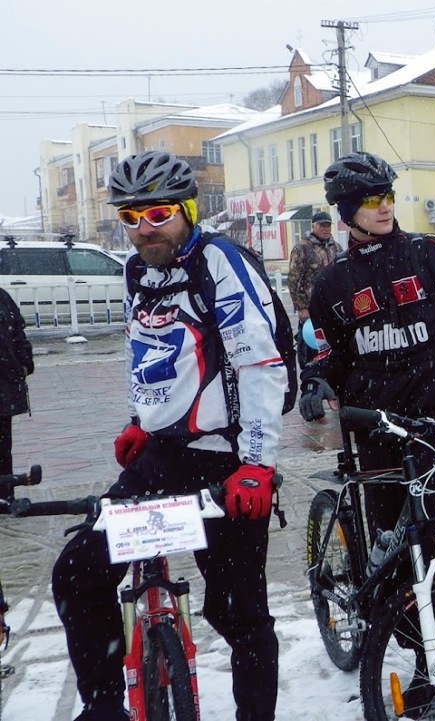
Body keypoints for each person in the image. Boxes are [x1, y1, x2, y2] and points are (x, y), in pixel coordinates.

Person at [53, 151, 285, 721]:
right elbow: (151, 353)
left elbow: (260, 365)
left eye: (157, 214)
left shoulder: (219, 263)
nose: (143, 230)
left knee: (240, 617)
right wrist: (141, 419)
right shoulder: (138, 271)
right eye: (130, 218)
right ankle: (106, 706)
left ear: (187, 209)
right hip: (164, 458)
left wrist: (256, 463)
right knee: (78, 573)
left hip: (229, 461)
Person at [299, 152, 435, 567]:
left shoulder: (433, 254)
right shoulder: (331, 282)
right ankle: (399, 624)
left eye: (387, 195)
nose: (385, 206)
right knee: (394, 553)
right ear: (347, 211)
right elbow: (327, 352)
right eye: (372, 201)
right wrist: (316, 380)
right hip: (375, 428)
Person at [288, 210, 341, 366]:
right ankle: (310, 375)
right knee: (310, 349)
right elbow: (293, 280)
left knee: (333, 344)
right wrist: (301, 307)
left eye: (328, 225)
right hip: (311, 309)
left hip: (332, 307)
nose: (326, 229)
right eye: (322, 225)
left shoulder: (336, 247)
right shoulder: (302, 248)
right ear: (313, 226)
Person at [0, 287, 33, 497]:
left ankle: (4, 496)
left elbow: (17, 330)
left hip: (3, 387)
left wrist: (23, 364)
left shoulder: (2, 297)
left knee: (3, 448)